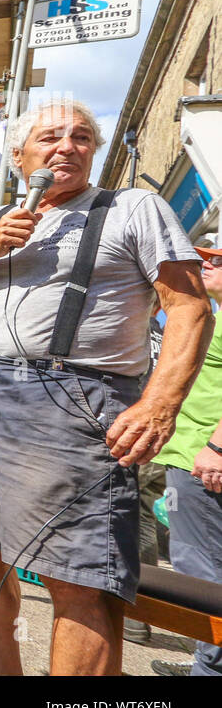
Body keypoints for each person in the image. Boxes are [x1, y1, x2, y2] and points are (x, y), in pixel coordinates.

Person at [0, 98, 213, 676]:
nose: (67, 148)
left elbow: (189, 307)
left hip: (77, 398)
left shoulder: (134, 208)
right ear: (19, 155)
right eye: (51, 136)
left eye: (82, 138)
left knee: (77, 574)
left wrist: (159, 404)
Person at [148, 245, 222, 676]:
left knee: (201, 574)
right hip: (194, 458)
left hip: (204, 464)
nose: (208, 263)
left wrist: (216, 449)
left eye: (220, 259)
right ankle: (206, 659)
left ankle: (210, 668)